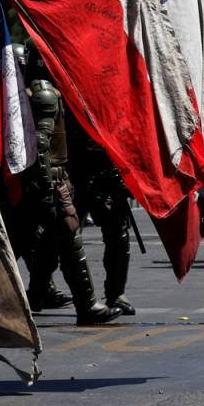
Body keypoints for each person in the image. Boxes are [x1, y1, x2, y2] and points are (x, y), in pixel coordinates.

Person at [15, 43, 122, 326]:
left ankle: (35, 295)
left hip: (46, 180)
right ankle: (87, 306)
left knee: (50, 241)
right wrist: (52, 186)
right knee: (69, 238)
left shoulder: (37, 91)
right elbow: (40, 143)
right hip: (52, 181)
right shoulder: (45, 93)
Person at [66, 112, 136, 314]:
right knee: (63, 235)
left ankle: (116, 293)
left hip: (107, 165)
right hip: (75, 165)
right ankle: (39, 289)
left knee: (119, 232)